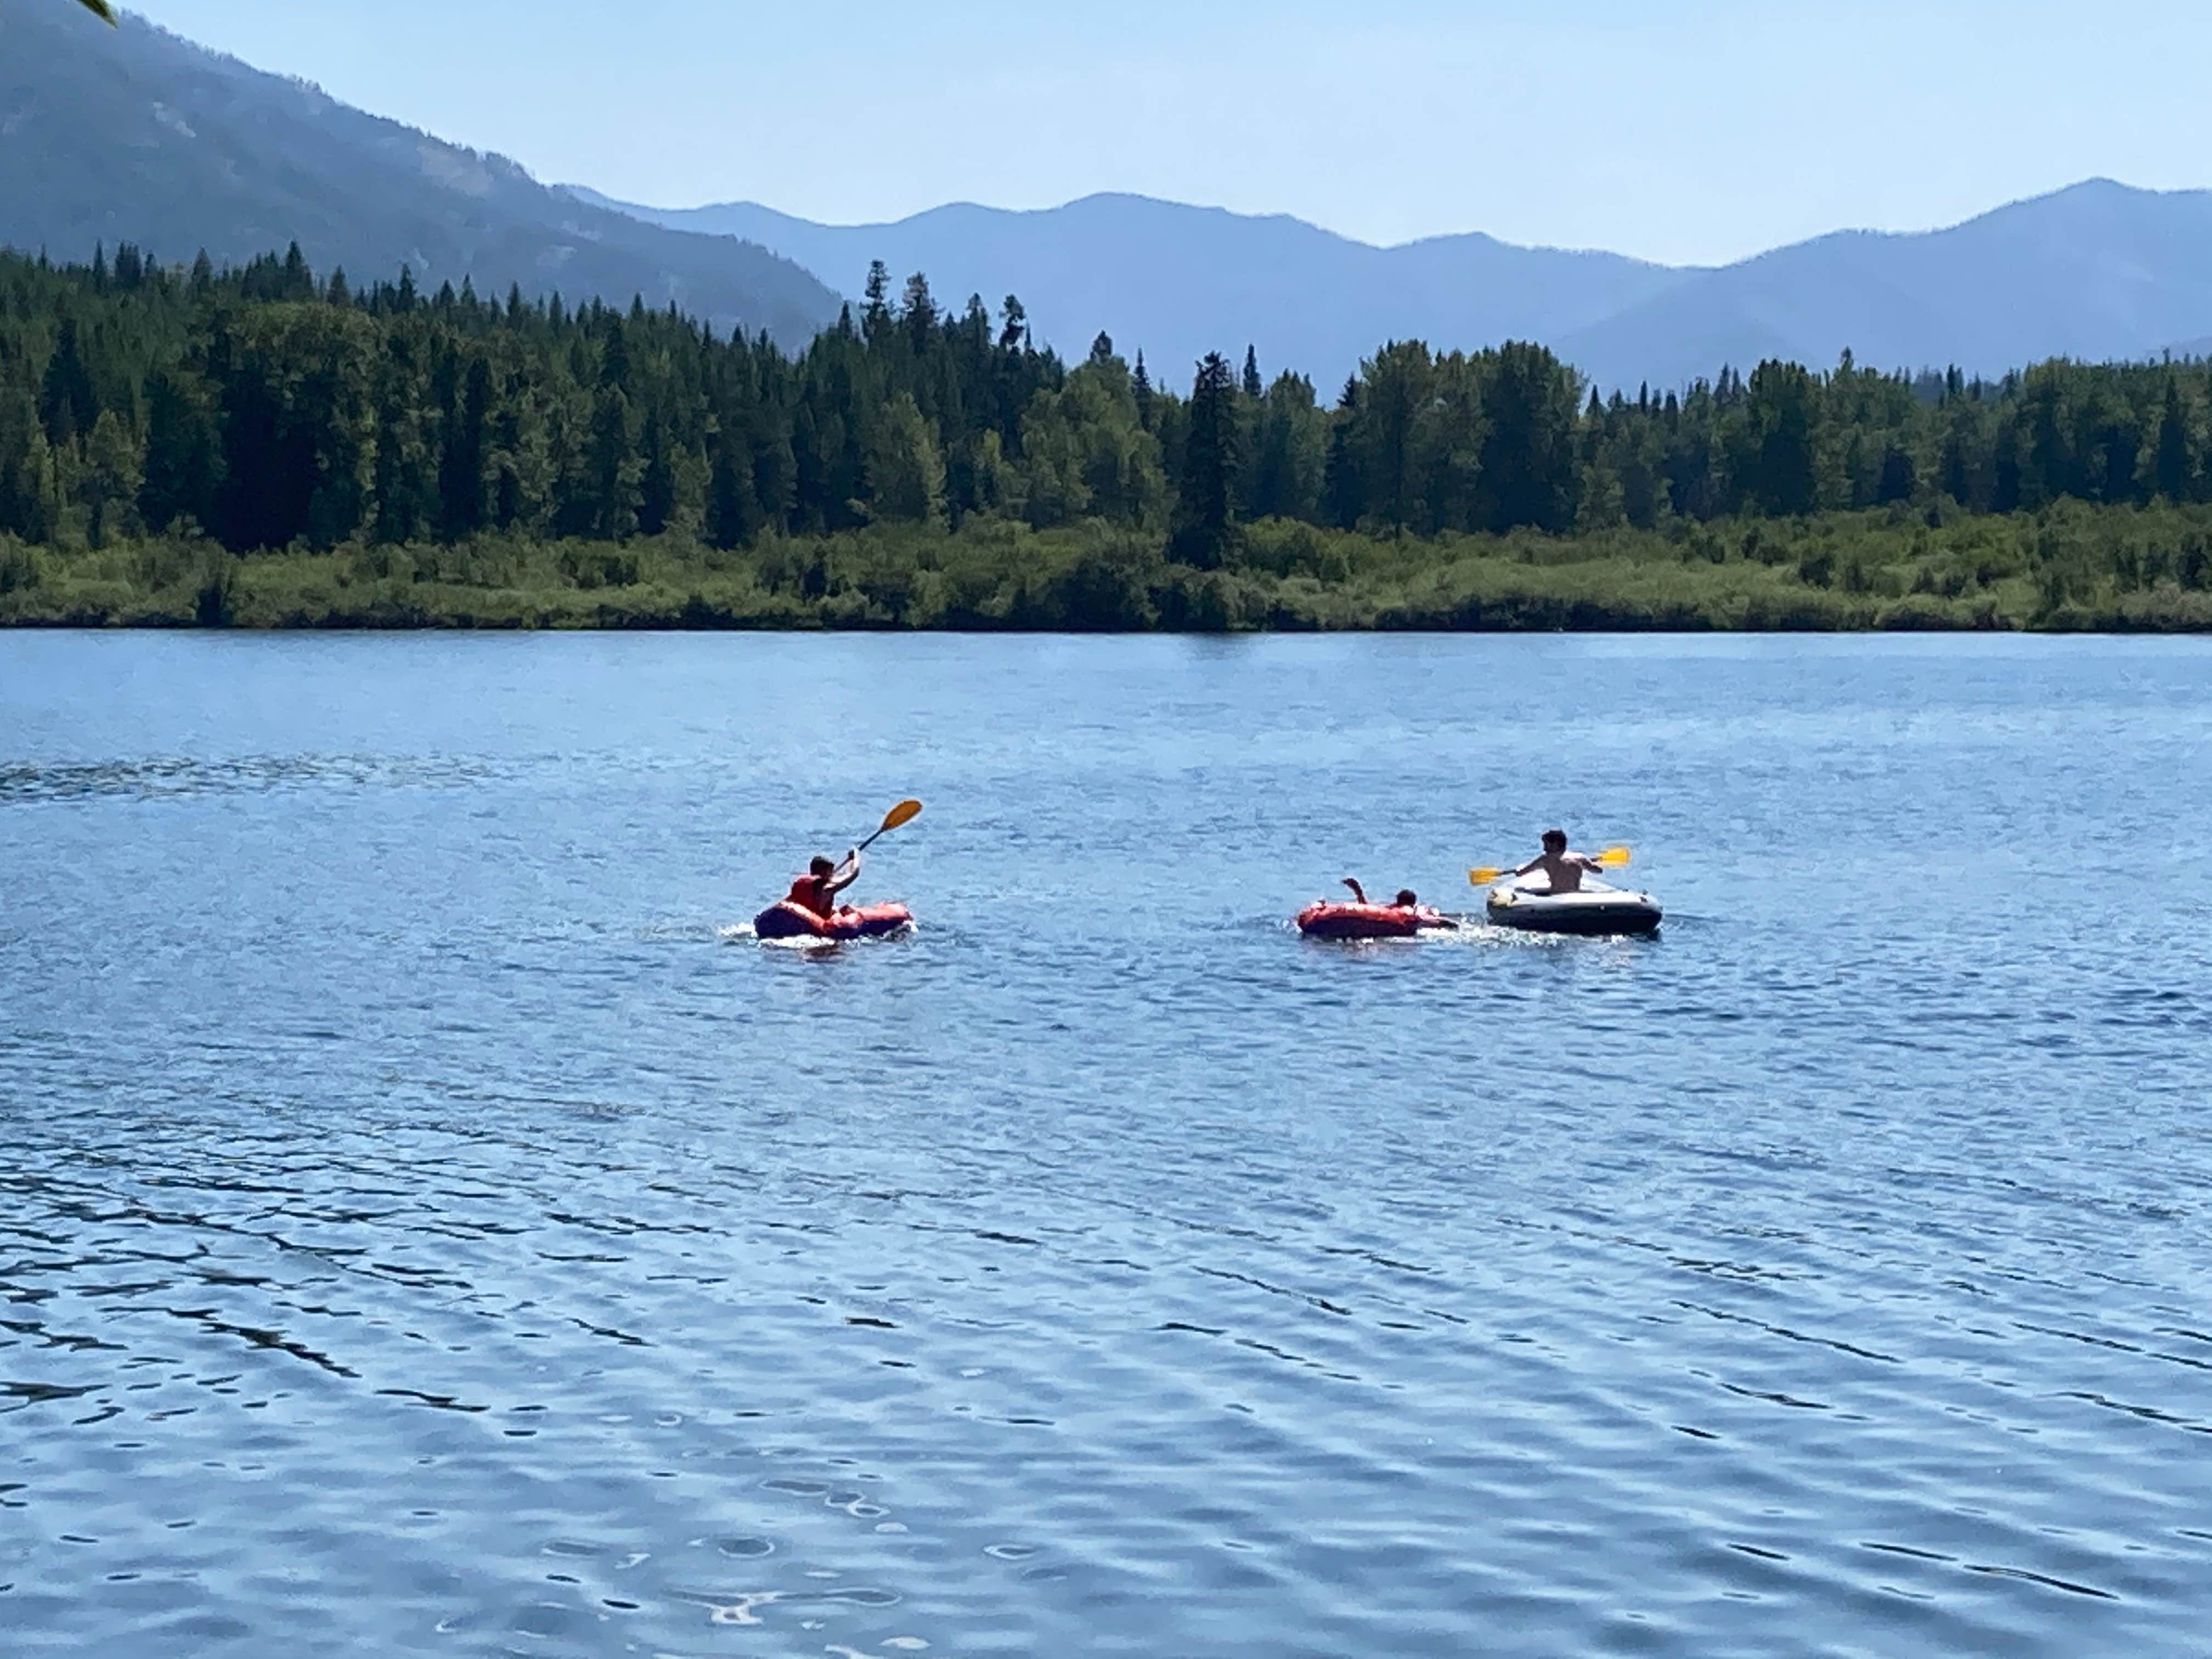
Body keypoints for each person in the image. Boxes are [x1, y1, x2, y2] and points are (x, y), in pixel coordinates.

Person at [1515, 829, 1603, 893]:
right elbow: (1598, 871)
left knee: (1521, 890)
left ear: (1555, 844)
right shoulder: (1580, 857)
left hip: (1555, 895)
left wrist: (1518, 872)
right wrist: (1589, 864)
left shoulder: (1545, 859)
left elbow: (1521, 873)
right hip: (1576, 893)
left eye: (1546, 845)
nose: (1544, 848)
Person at [787, 848, 862, 919]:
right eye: (830, 870)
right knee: (846, 910)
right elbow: (854, 874)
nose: (832, 873)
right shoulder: (828, 888)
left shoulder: (803, 884)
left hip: (801, 919)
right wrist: (856, 858)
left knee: (835, 909)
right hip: (817, 925)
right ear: (825, 872)